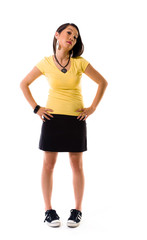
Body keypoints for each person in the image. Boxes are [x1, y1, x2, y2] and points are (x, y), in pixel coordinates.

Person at [20, 22, 108, 228]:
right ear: (57, 35)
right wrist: (36, 108)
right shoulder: (45, 63)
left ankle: (77, 210)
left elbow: (103, 82)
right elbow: (23, 84)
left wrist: (92, 108)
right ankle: (48, 210)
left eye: (75, 37)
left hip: (76, 119)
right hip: (52, 120)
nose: (72, 38)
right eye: (69, 33)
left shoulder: (79, 62)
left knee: (76, 166)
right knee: (48, 166)